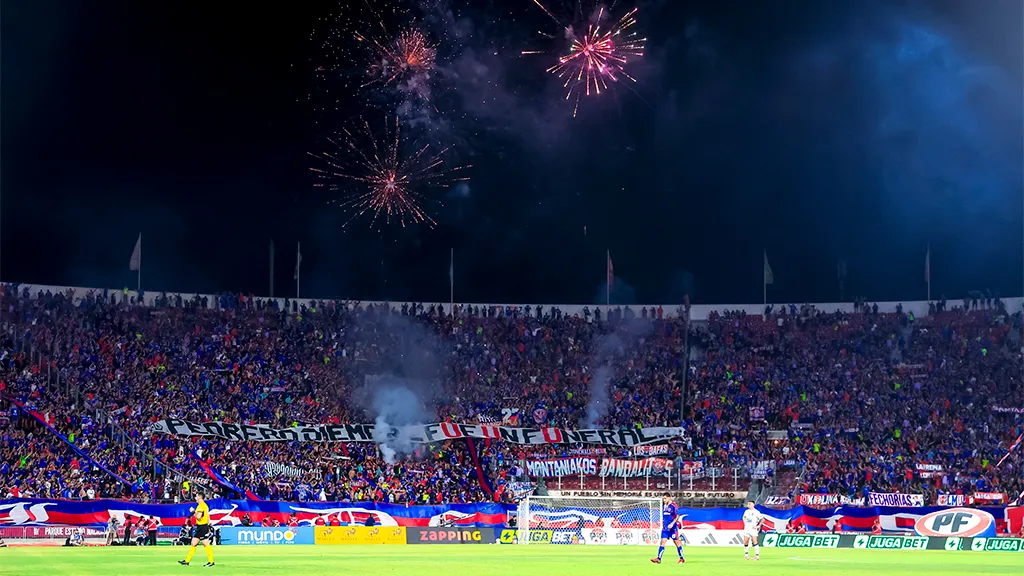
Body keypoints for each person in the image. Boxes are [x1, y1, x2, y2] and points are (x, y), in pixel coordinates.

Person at [178, 494, 216, 567]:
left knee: (205, 544)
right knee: (193, 543)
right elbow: (207, 517)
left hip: (202, 527)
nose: (195, 497)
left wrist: (193, 512)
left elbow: (198, 517)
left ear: (199, 497)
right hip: (202, 526)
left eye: (196, 496)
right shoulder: (204, 505)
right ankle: (187, 561)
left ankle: (211, 562)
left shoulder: (201, 506)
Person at [651, 493, 684, 564]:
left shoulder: (673, 506)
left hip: (673, 529)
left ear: (669, 498)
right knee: (662, 542)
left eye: (665, 498)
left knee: (677, 543)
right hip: (665, 528)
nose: (664, 500)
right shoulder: (665, 506)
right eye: (663, 498)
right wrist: (660, 522)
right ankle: (659, 558)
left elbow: (677, 515)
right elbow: (665, 517)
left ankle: (681, 558)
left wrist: (672, 524)